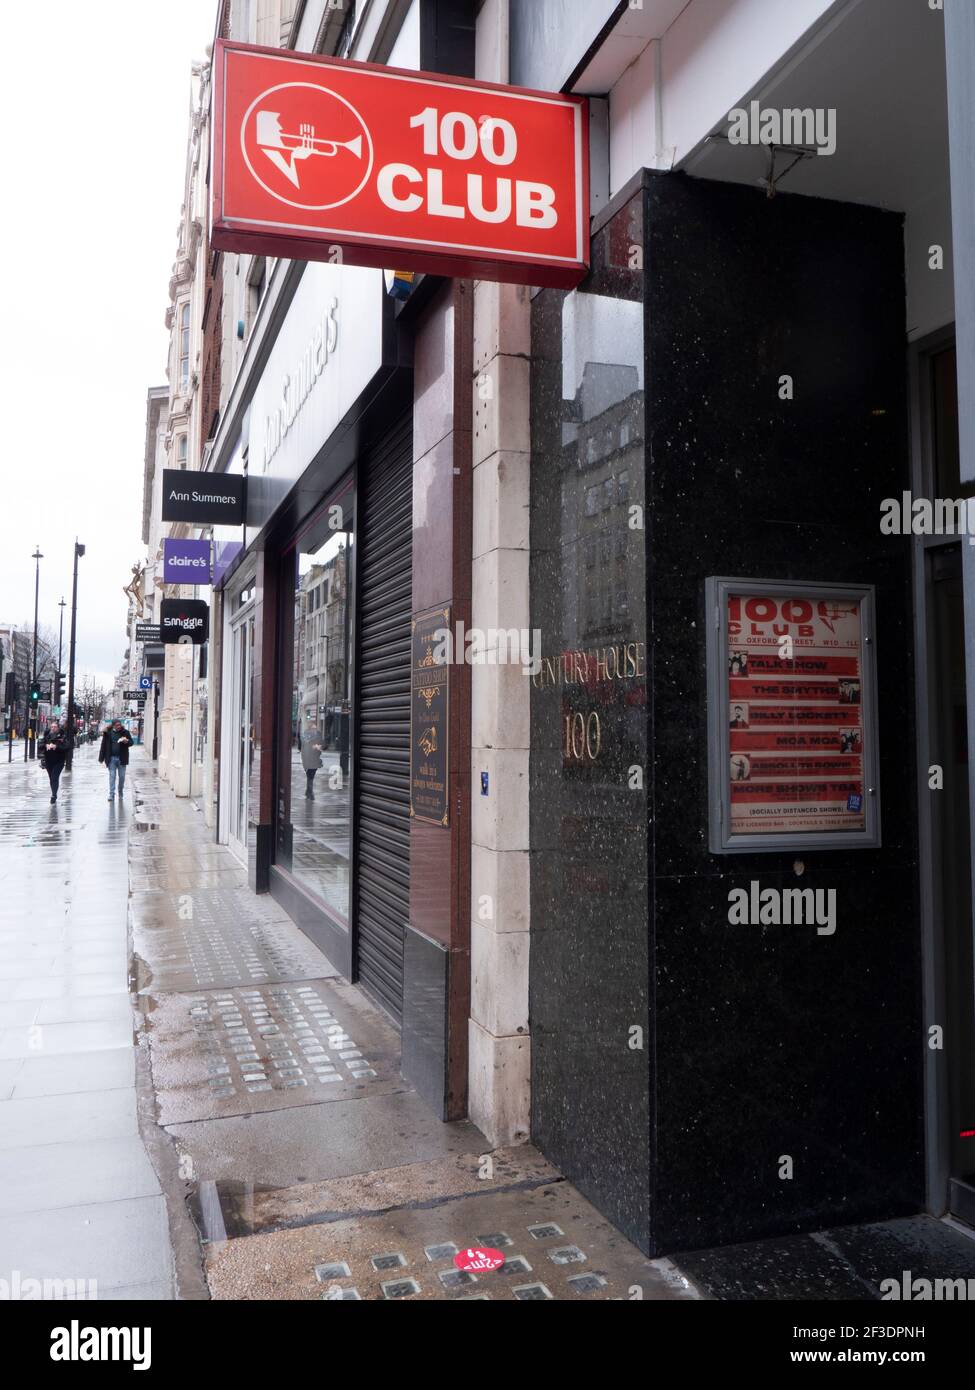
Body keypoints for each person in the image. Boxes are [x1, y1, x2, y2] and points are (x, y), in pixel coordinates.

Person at [99, 719, 132, 801]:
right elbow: (103, 745)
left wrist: (126, 741)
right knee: (112, 776)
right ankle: (111, 795)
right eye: (117, 725)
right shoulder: (108, 733)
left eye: (119, 725)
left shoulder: (125, 732)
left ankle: (120, 792)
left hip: (122, 758)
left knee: (122, 777)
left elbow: (131, 742)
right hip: (111, 758)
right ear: (113, 725)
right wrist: (101, 758)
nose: (119, 726)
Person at [40, 720, 69, 803]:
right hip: (48, 760)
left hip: (59, 761)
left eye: (55, 727)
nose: (53, 728)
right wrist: (46, 745)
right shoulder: (47, 735)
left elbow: (67, 747)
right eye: (52, 727)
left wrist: (56, 746)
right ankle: (54, 793)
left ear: (58, 728)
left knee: (54, 777)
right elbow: (40, 745)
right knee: (51, 778)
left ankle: (54, 795)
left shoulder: (62, 736)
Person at [300, 719, 323, 800]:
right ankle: (310, 792)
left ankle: (308, 791)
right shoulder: (313, 734)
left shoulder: (306, 734)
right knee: (310, 775)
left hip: (311, 757)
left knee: (310, 775)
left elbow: (322, 744)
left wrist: (318, 747)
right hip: (309, 757)